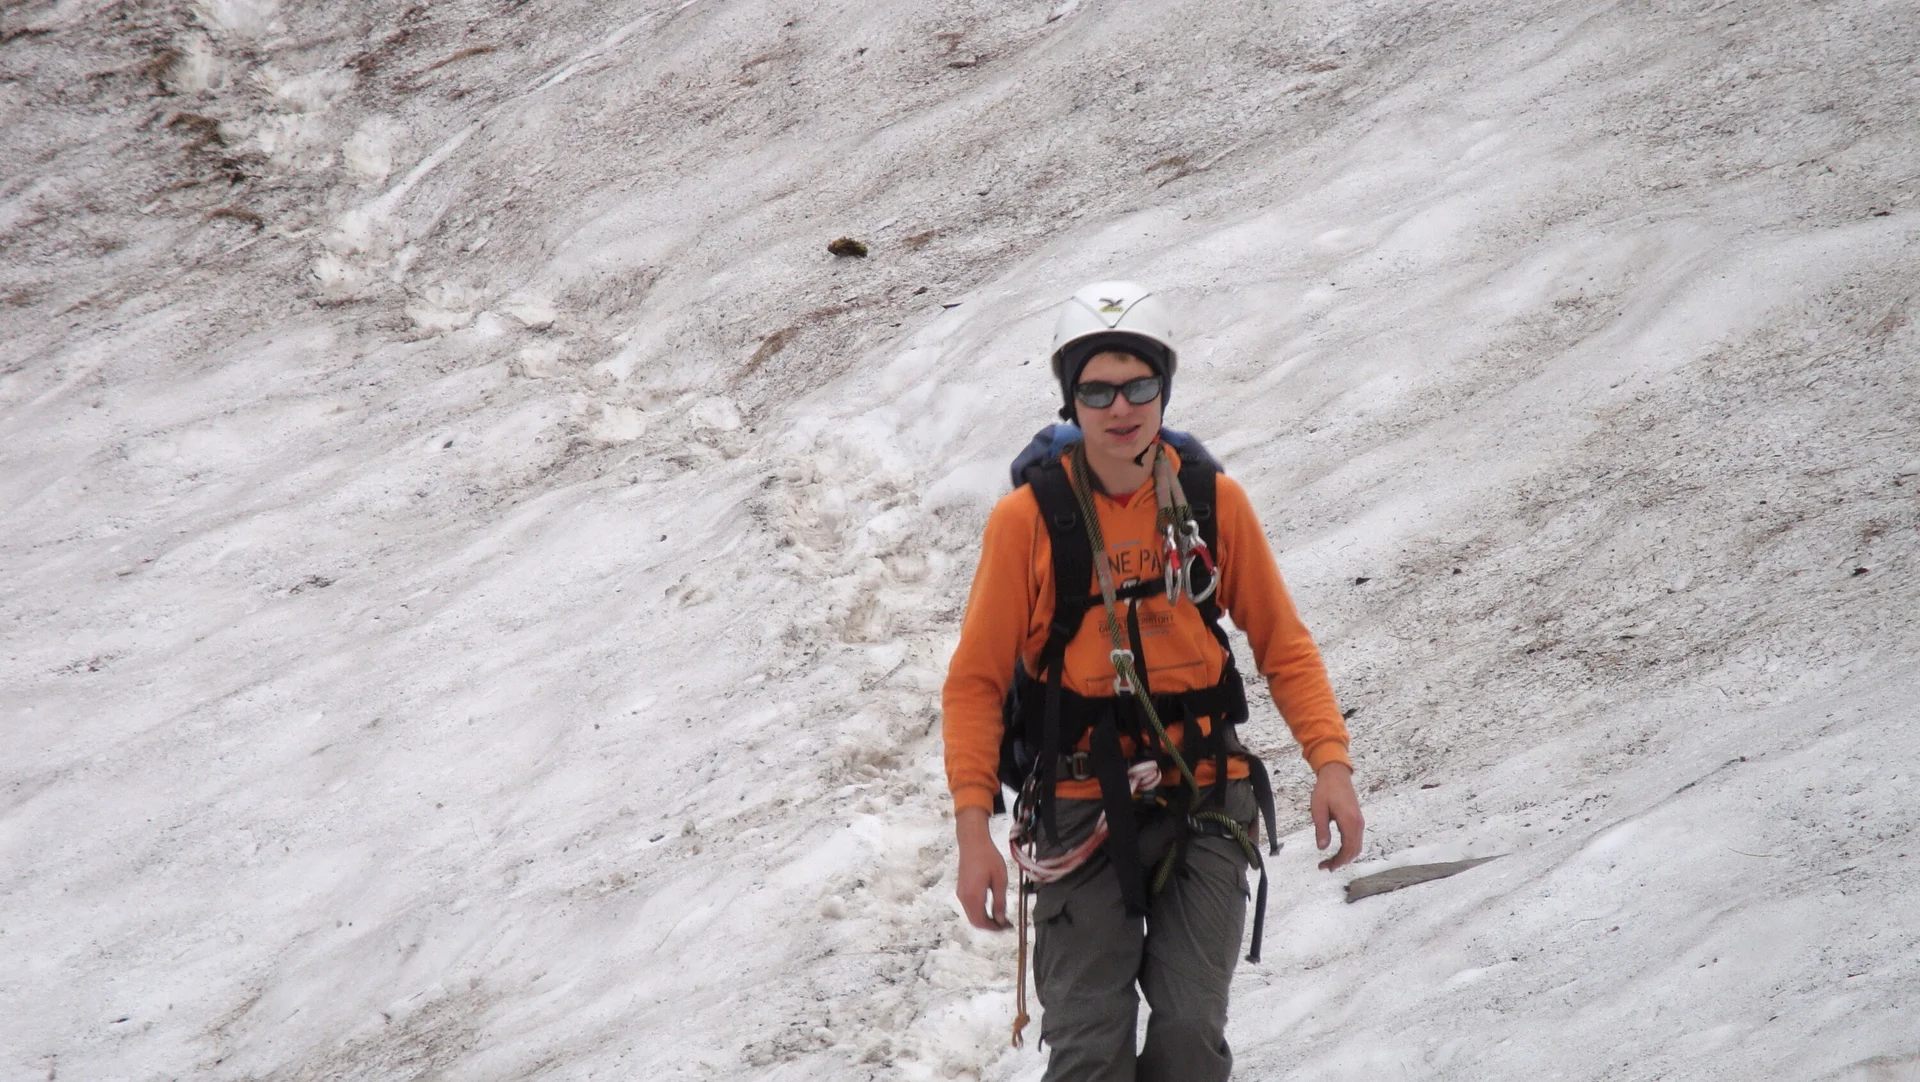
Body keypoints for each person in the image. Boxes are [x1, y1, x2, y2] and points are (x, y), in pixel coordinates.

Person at [941, 281, 1364, 1081]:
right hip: (1076, 815)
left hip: (1205, 796)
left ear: (1164, 387)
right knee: (1090, 1056)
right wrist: (974, 831)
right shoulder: (1026, 523)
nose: (1121, 407)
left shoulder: (1211, 502)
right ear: (1073, 400)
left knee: (1187, 1041)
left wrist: (1330, 764)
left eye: (1139, 385)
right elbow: (975, 685)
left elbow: (1283, 643)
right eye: (1097, 390)